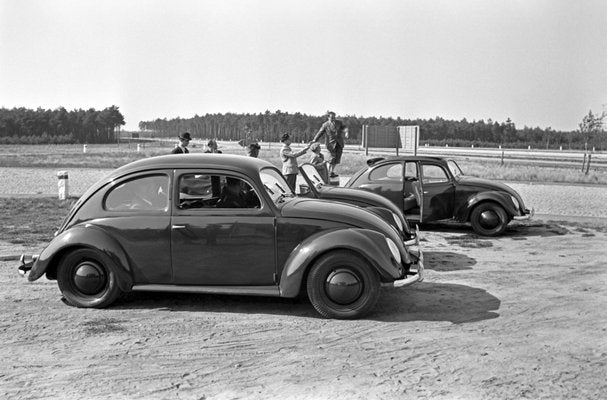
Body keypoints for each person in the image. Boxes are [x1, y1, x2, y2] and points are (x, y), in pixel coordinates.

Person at [312, 111, 346, 178]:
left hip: (339, 143)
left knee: (337, 159)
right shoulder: (325, 125)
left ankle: (331, 172)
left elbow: (344, 128)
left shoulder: (339, 122)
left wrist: (347, 132)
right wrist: (314, 139)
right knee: (331, 159)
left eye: (334, 117)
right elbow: (320, 132)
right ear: (328, 117)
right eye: (331, 117)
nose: (333, 118)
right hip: (330, 144)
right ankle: (327, 172)